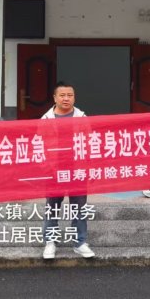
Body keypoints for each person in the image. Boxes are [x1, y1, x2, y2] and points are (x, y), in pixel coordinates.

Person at [41, 82, 95, 259]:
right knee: (52, 207)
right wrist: (46, 167)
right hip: (53, 170)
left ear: (74, 97)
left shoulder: (82, 117)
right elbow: (39, 144)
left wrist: (88, 167)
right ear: (55, 97)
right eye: (62, 95)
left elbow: (89, 143)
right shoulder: (46, 119)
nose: (66, 98)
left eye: (70, 95)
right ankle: (50, 242)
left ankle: (80, 243)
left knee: (79, 207)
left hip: (77, 170)